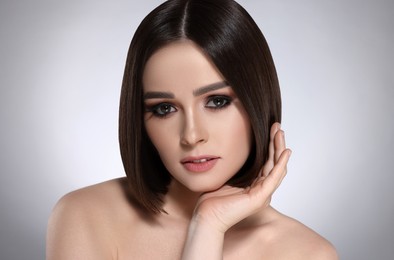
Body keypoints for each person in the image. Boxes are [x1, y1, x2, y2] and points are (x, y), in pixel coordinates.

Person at [46, 0, 338, 259]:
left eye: (217, 101)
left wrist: (210, 225)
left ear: (256, 102)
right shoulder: (86, 215)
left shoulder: (307, 253)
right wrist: (206, 229)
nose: (191, 135)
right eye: (164, 108)